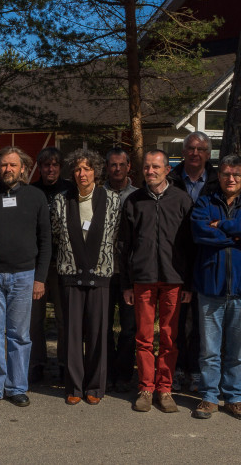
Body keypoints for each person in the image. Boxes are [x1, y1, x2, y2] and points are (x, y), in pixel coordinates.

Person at [0, 147, 51, 409]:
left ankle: (16, 387)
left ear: (23, 168)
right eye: (3, 165)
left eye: (13, 165)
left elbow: (46, 241)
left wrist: (40, 277)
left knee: (20, 335)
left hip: (25, 275)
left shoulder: (36, 197)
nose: (8, 170)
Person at [189, 155, 241, 420]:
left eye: (236, 174)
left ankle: (234, 397)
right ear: (218, 176)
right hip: (211, 286)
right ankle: (209, 396)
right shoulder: (204, 203)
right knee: (209, 349)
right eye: (225, 174)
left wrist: (221, 225)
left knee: (238, 351)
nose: (230, 179)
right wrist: (236, 234)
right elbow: (199, 233)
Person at [119, 149, 194, 413]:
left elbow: (191, 245)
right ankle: (146, 388)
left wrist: (189, 284)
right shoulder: (134, 201)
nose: (150, 172)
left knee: (169, 337)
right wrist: (127, 284)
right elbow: (124, 246)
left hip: (174, 279)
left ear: (167, 170)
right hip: (143, 279)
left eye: (155, 167)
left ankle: (165, 389)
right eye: (147, 168)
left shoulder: (182, 200)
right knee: (143, 337)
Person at [49, 149, 120, 405]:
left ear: (96, 172)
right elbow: (56, 234)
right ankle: (73, 387)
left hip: (100, 273)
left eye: (87, 168)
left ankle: (95, 387)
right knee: (71, 333)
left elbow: (115, 235)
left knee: (99, 332)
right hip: (70, 273)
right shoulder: (60, 200)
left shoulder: (112, 200)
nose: (82, 173)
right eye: (78, 169)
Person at [169, 131, 219, 392]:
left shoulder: (216, 180)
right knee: (178, 319)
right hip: (177, 257)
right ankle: (177, 369)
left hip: (208, 257)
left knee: (203, 320)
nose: (195, 153)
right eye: (190, 148)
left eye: (200, 149)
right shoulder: (172, 179)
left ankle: (197, 370)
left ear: (207, 154)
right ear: (184, 152)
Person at [30, 146, 75, 384]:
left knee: (63, 317)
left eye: (55, 165)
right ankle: (37, 362)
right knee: (34, 318)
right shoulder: (31, 191)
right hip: (36, 263)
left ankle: (64, 362)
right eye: (46, 165)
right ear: (40, 167)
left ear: (60, 167)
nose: (50, 169)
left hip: (63, 263)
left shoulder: (69, 190)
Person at [103, 147, 137, 392]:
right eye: (112, 165)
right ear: (107, 168)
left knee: (129, 328)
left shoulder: (138, 196)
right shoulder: (96, 194)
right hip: (102, 271)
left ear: (128, 167)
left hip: (130, 273)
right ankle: (105, 371)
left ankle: (124, 374)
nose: (117, 169)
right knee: (102, 327)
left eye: (121, 165)